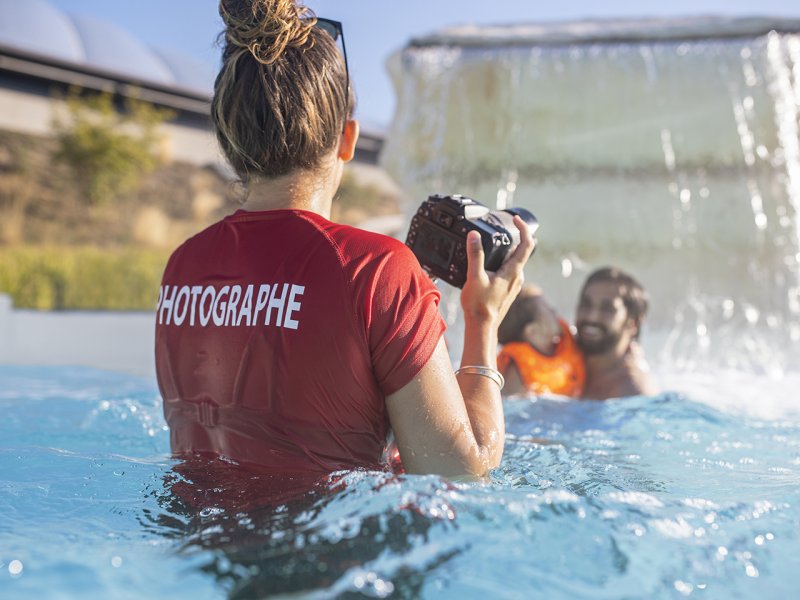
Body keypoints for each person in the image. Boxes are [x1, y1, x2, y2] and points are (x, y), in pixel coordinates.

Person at [154, 0, 535, 479]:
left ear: (231, 142)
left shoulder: (182, 266)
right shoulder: (377, 270)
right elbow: (461, 469)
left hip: (198, 545)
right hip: (333, 549)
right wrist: (483, 320)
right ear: (347, 139)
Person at [574, 267, 659, 399]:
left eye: (607, 309)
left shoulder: (631, 391)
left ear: (633, 323)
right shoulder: (560, 347)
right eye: (586, 304)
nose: (592, 317)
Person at [496, 284, 585, 397]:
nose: (553, 310)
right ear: (533, 331)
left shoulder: (568, 342)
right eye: (546, 309)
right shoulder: (515, 370)